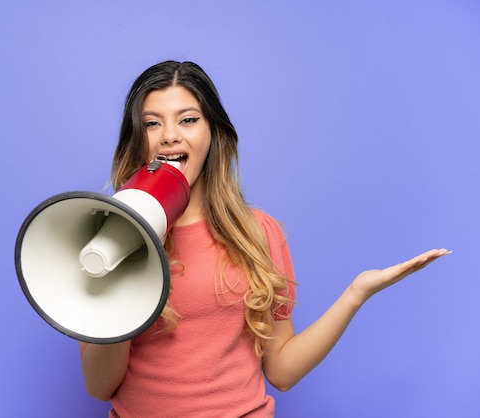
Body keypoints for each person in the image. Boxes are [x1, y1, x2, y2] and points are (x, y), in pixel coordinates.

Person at [79, 60, 450, 417]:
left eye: (188, 120)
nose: (170, 135)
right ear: (138, 139)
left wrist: (356, 294)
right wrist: (120, 254)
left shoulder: (258, 233)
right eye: (151, 124)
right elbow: (99, 386)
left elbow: (282, 372)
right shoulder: (102, 241)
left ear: (213, 132)